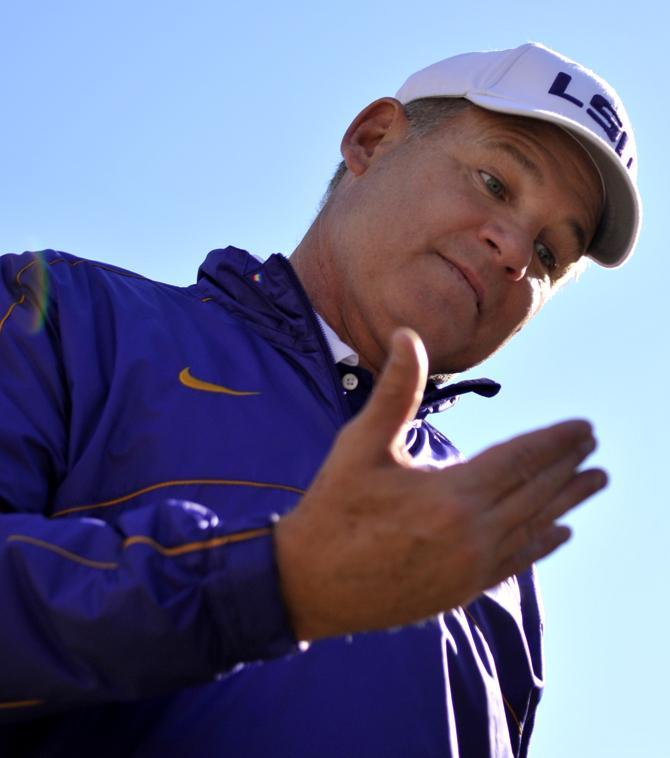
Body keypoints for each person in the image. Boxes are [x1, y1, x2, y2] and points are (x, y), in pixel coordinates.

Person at [0, 42, 640, 757]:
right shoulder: (68, 319)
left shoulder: (493, 546)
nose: (516, 252)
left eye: (551, 254)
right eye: (495, 181)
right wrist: (276, 583)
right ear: (373, 141)